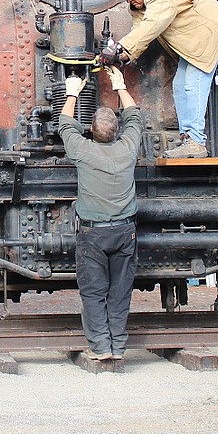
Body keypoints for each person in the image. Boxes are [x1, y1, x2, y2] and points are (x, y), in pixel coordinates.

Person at [59, 66, 142, 361]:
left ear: (91, 131)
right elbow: (135, 117)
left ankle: (101, 348)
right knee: (119, 293)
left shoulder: (83, 150)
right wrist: (120, 86)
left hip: (93, 234)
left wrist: (71, 92)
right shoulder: (129, 149)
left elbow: (65, 125)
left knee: (94, 292)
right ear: (117, 132)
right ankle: (118, 347)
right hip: (124, 232)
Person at [109, 0, 218, 159]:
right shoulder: (139, 5)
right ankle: (188, 140)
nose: (128, 1)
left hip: (205, 33)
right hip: (191, 41)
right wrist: (124, 55)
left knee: (193, 84)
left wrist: (121, 46)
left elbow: (152, 25)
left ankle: (196, 141)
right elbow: (140, 32)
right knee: (179, 86)